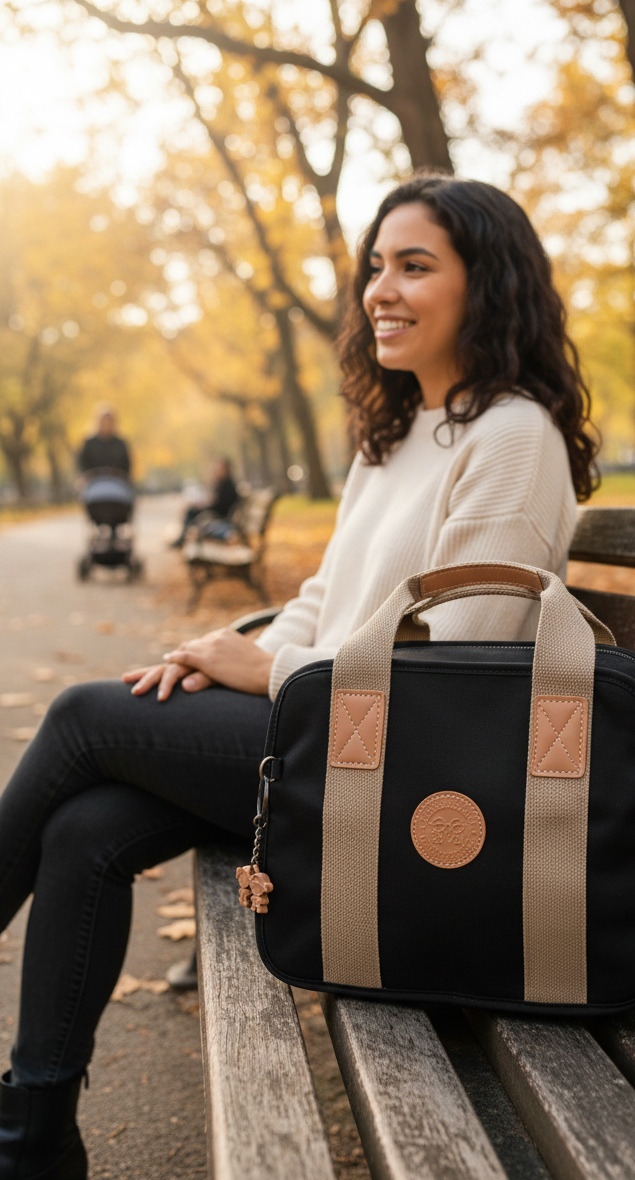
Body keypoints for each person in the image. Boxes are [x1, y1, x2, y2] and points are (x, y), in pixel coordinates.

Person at [0, 174, 597, 1178]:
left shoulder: (513, 438)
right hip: (331, 739)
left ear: (487, 285)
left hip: (400, 780)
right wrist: (223, 654)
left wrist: (267, 665)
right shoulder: (400, 430)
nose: (381, 290)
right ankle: (32, 1141)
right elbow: (324, 596)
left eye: (415, 266)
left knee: (80, 715)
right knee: (86, 828)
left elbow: (454, 671)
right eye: (376, 266)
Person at [170, 456, 239, 548]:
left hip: (220, 516)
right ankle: (182, 538)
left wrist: (204, 507)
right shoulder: (223, 484)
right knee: (192, 510)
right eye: (217, 468)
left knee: (191, 511)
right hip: (216, 513)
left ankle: (182, 539)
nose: (217, 471)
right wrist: (204, 505)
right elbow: (217, 503)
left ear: (227, 469)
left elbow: (219, 506)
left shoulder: (228, 486)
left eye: (220, 468)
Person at [78, 407, 132, 478]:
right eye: (104, 423)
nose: (106, 426)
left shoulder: (120, 444)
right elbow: (82, 464)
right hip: (92, 482)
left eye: (109, 423)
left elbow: (126, 466)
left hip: (117, 481)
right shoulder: (89, 443)